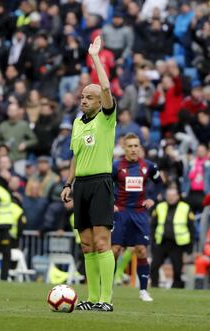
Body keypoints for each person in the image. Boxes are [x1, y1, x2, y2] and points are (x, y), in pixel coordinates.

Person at [61, 36, 116, 312]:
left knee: (102, 242)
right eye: (82, 97)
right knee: (86, 244)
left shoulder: (107, 119)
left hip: (101, 183)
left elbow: (105, 86)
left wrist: (95, 57)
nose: (84, 101)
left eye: (89, 97)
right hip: (81, 184)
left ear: (99, 102)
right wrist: (68, 183)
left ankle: (106, 300)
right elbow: (76, 156)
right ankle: (92, 298)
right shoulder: (76, 124)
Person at [112, 132, 162, 302]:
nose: (134, 149)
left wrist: (152, 198)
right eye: (130, 146)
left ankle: (143, 291)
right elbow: (105, 185)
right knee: (115, 251)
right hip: (121, 213)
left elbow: (159, 183)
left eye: (136, 146)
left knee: (141, 250)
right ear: (124, 147)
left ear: (140, 147)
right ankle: (107, 289)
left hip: (140, 213)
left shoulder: (148, 166)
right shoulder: (116, 166)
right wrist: (111, 203)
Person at [150, 186, 195, 288]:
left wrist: (190, 246)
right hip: (162, 242)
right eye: (168, 195)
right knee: (154, 265)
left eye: (173, 195)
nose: (170, 198)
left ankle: (176, 288)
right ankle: (154, 286)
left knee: (177, 268)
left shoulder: (185, 207)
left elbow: (191, 228)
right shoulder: (160, 206)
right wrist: (152, 241)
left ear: (178, 196)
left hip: (177, 243)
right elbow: (153, 225)